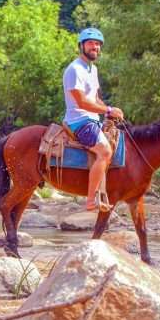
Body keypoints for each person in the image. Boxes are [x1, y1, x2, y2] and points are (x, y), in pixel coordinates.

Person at [62, 27, 124, 211]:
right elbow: (81, 102)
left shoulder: (92, 69)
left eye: (97, 44)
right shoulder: (74, 69)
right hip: (79, 121)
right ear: (81, 46)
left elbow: (95, 99)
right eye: (90, 43)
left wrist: (108, 113)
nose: (94, 47)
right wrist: (110, 108)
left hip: (93, 119)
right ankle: (90, 200)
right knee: (105, 152)